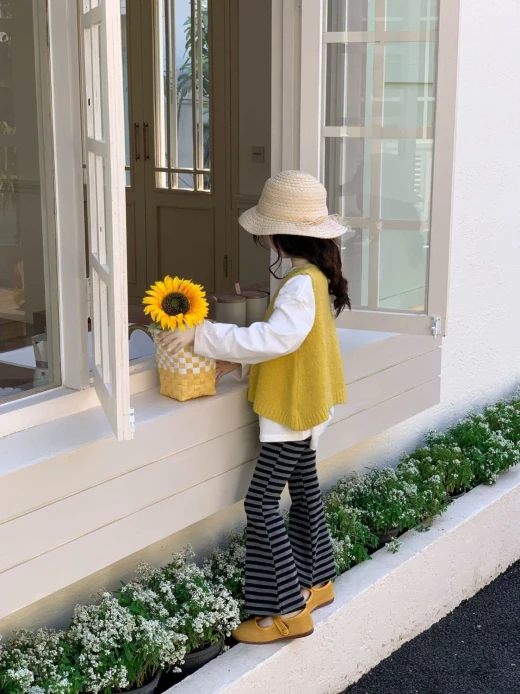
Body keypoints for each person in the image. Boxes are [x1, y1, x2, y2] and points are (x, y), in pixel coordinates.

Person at [158, 170, 350, 644]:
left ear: (278, 235)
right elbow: (295, 346)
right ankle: (318, 583)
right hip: (307, 407)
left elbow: (275, 338)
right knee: (304, 491)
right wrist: (240, 363)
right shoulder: (314, 278)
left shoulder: (300, 284)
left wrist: (202, 335)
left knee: (261, 504)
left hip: (292, 413)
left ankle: (288, 611)